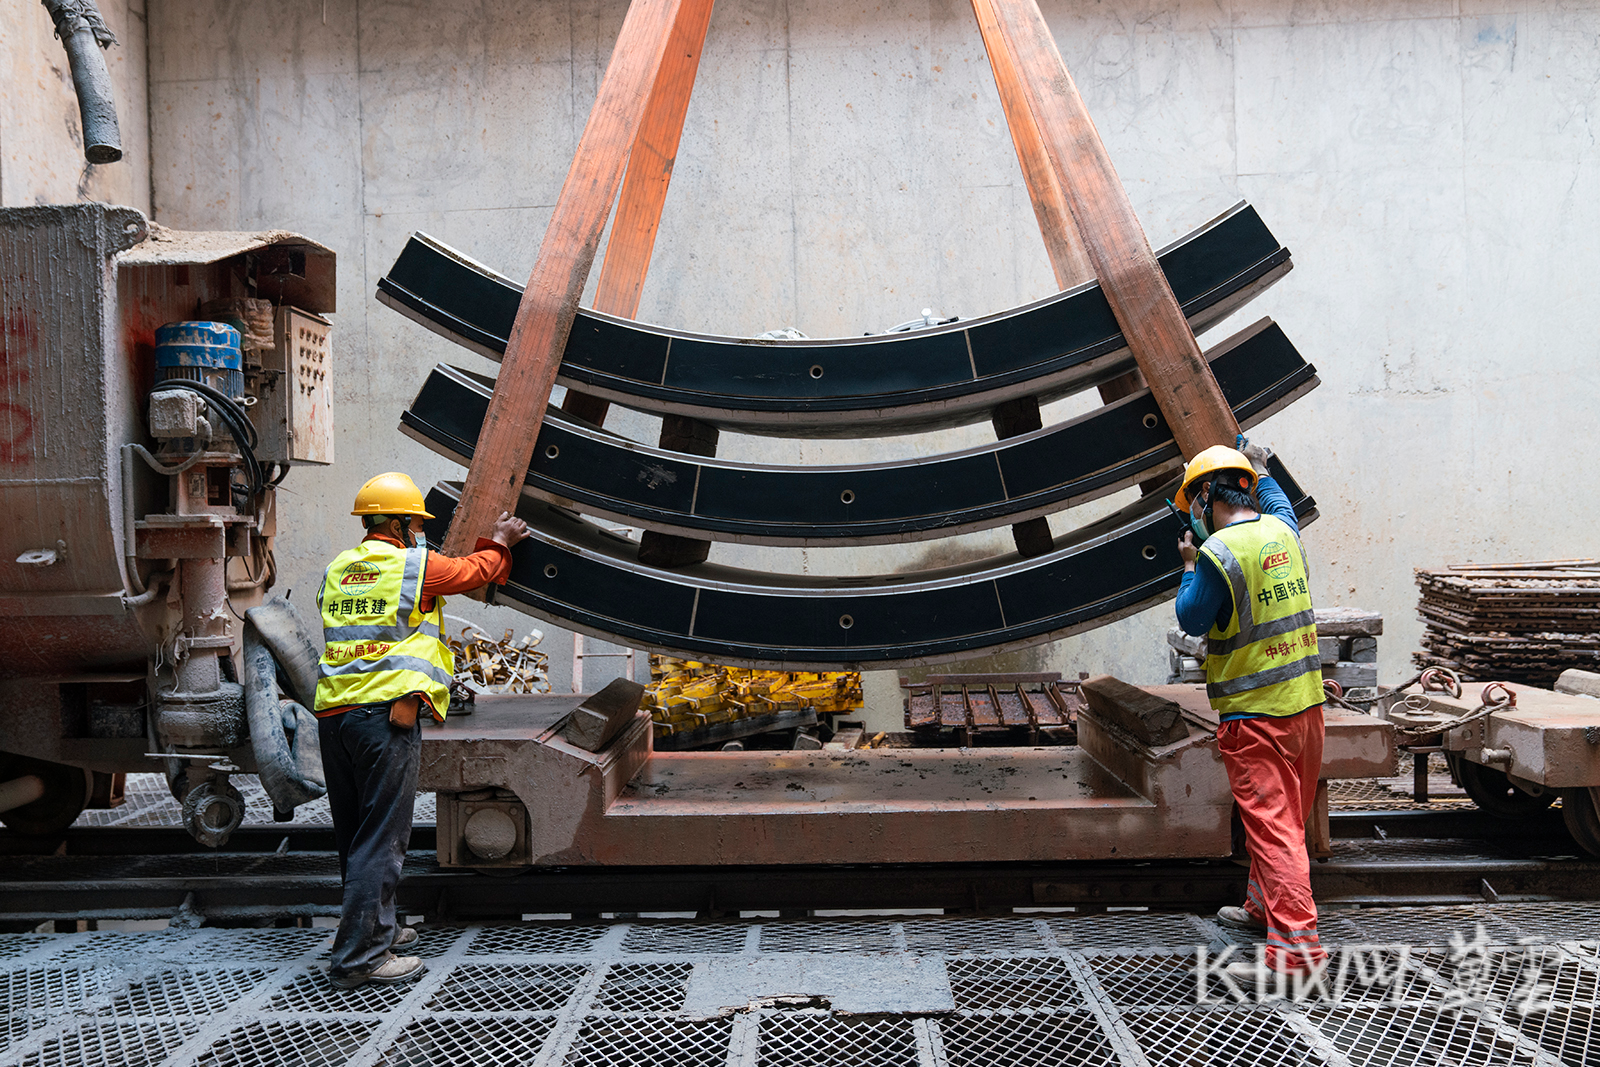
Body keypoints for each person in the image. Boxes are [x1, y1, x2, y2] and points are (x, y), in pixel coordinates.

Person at [314, 472, 530, 989]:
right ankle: (360, 958)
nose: (419, 529)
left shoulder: (339, 568)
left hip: (335, 718)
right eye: (416, 522)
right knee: (381, 839)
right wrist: (500, 542)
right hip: (384, 720)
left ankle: (373, 930)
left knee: (355, 836)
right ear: (402, 523)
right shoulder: (414, 564)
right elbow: (476, 571)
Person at [1173, 439, 1327, 977]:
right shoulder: (1284, 531)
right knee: (1287, 817)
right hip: (1306, 707)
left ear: (1205, 500)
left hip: (1256, 716)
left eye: (1192, 504)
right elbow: (1279, 501)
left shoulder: (1218, 554)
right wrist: (1261, 466)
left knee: (1274, 826)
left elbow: (1192, 619)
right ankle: (1263, 905)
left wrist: (1190, 566)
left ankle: (1296, 953)